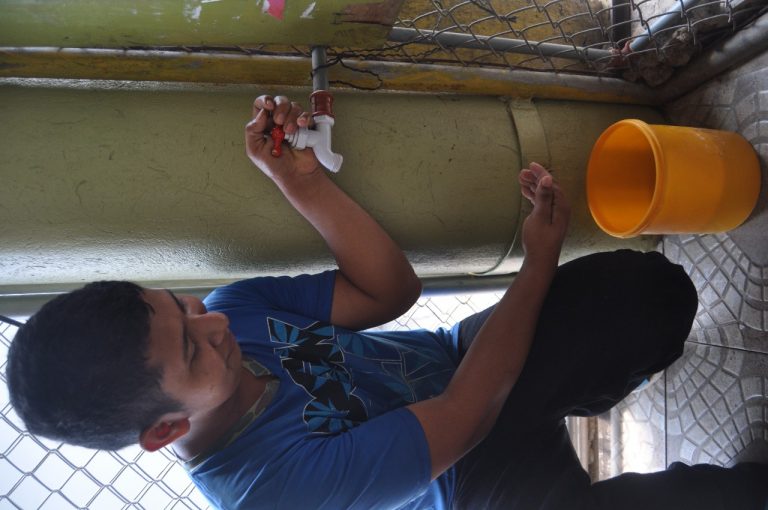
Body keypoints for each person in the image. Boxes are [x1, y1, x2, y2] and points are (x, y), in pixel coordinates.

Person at [7, 95, 767, 510]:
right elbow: (467, 418)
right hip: (467, 478)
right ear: (166, 429)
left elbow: (389, 293)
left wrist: (301, 184)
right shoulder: (265, 490)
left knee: (648, 296)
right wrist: (535, 262)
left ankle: (579, 389)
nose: (211, 322)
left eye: (180, 304)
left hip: (456, 365)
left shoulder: (229, 312)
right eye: (192, 348)